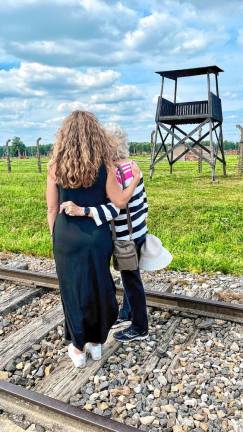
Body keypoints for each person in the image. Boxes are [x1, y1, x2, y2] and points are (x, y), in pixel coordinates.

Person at [46, 111, 141, 368]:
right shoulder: (105, 165)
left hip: (66, 237)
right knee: (99, 286)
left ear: (64, 137)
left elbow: (52, 209)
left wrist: (56, 236)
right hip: (98, 236)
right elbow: (120, 202)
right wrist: (136, 181)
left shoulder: (55, 166)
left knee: (72, 291)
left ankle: (77, 348)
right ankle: (97, 344)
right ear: (94, 135)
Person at [79, 126, 149, 342]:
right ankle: (127, 313)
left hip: (124, 238)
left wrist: (85, 211)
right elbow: (143, 203)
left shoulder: (116, 173)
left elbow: (113, 209)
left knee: (131, 281)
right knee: (130, 276)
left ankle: (140, 327)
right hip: (137, 231)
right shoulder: (132, 166)